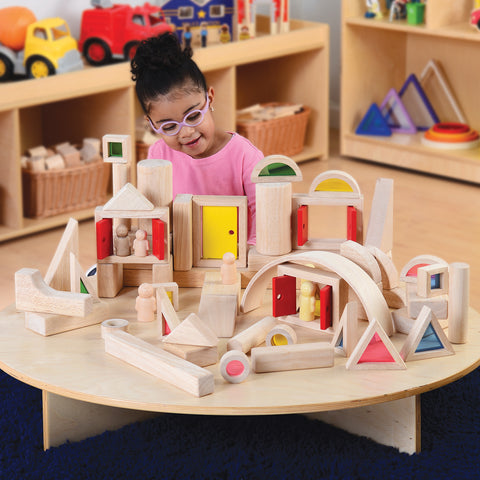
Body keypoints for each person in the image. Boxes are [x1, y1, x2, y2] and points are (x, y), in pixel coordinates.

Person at [131, 32, 262, 244]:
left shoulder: (245, 156)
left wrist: (251, 254)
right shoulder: (157, 156)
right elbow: (155, 214)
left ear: (209, 99)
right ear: (151, 125)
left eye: (193, 116)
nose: (186, 132)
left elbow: (263, 211)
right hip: (183, 261)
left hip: (236, 262)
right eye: (170, 126)